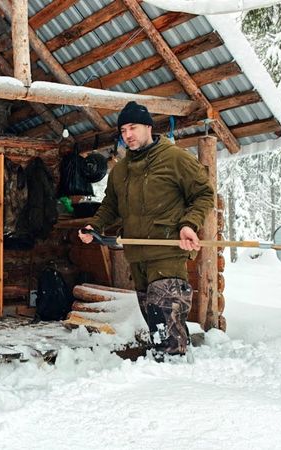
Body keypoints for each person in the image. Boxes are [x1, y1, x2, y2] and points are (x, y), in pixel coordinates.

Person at [78, 101, 214, 360]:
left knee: (165, 316)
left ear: (148, 127)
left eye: (133, 127)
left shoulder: (174, 158)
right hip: (137, 256)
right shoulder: (120, 170)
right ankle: (167, 365)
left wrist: (189, 224)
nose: (127, 134)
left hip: (167, 253)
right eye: (123, 130)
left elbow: (203, 193)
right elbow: (111, 206)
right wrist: (94, 226)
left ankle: (173, 373)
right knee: (158, 325)